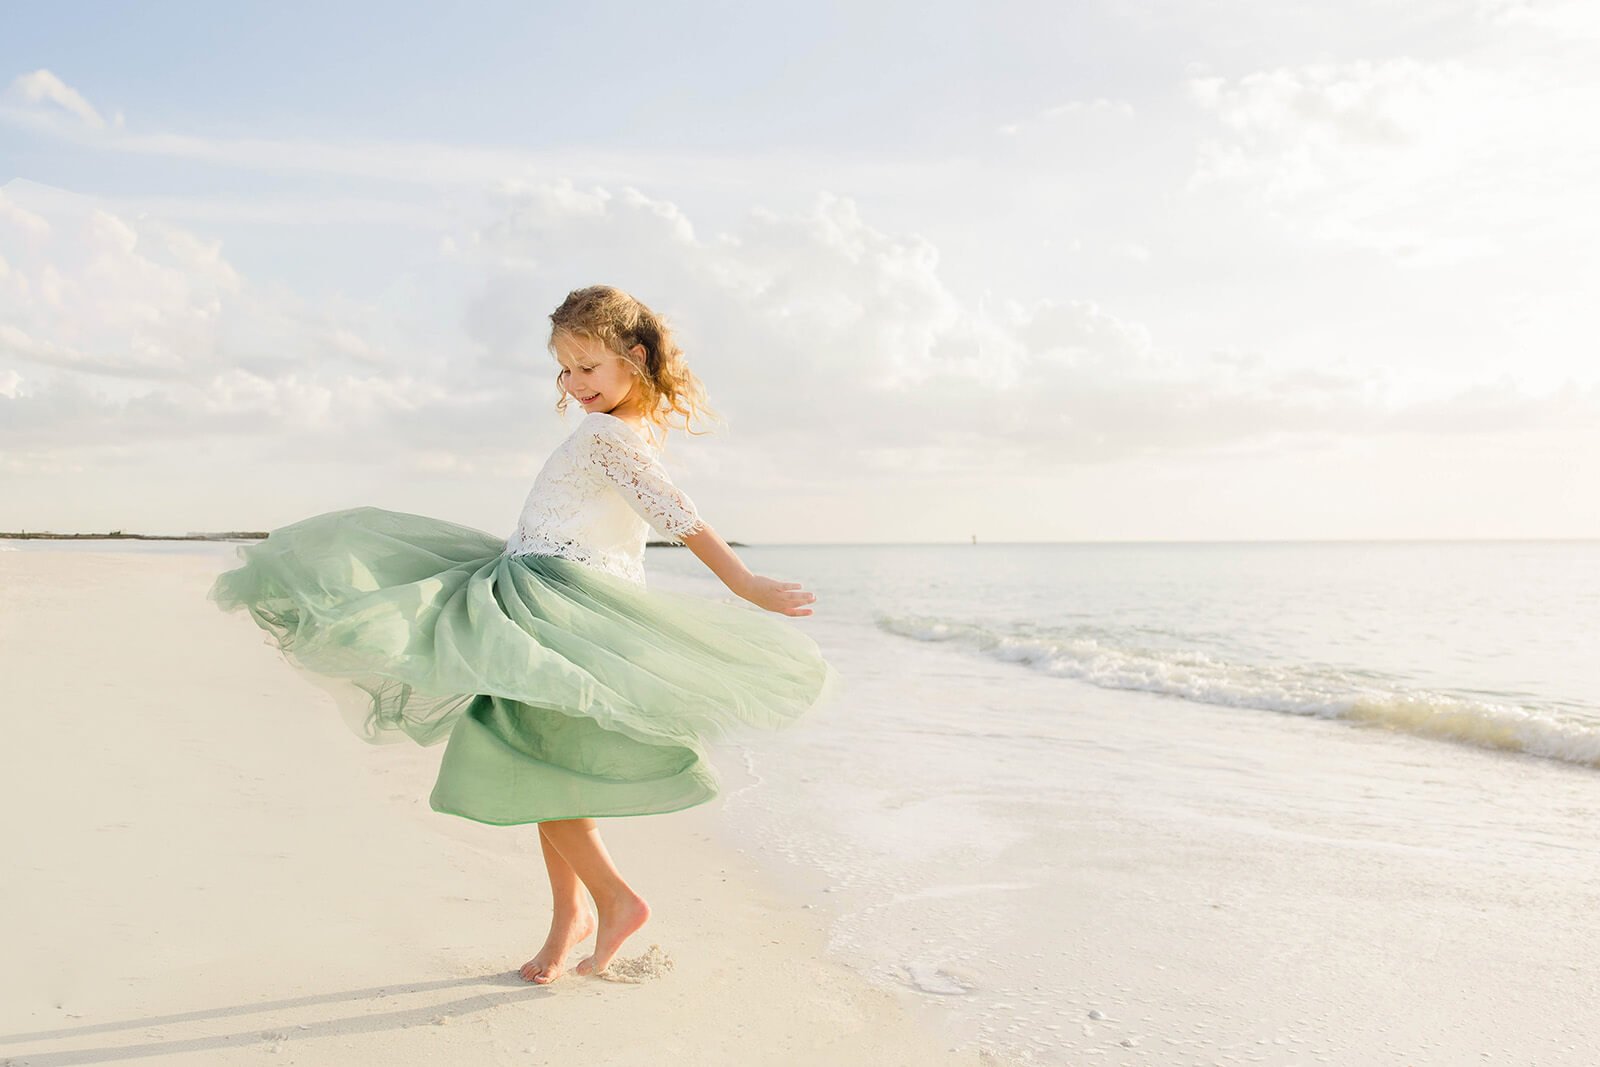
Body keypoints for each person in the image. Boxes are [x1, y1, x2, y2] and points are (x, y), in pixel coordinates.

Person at [209, 284, 840, 984]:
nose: (574, 385)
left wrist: (744, 583)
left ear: (634, 359)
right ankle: (569, 921)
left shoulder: (609, 436)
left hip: (555, 605)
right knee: (547, 764)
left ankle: (614, 898)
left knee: (520, 753)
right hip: (549, 595)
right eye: (565, 371)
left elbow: (676, 512)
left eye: (588, 368)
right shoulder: (620, 430)